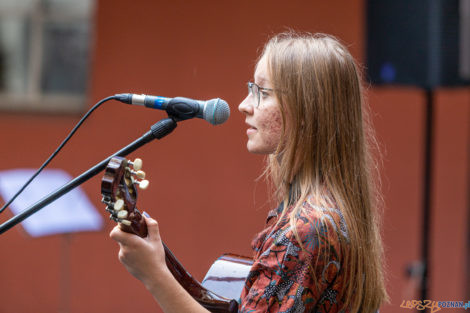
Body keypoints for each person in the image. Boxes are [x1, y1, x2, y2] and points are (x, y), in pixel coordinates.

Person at [110, 32, 388, 313]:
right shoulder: (328, 214)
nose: (244, 105)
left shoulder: (306, 229)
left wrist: (155, 276)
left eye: (262, 92)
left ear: (307, 112)